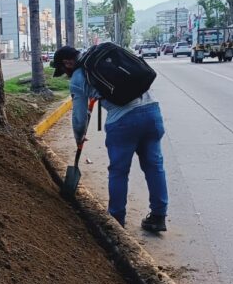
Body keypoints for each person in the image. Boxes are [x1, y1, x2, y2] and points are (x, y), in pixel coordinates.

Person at [53, 45, 168, 232]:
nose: (65, 74)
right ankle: (158, 216)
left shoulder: (78, 77)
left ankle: (116, 222)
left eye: (63, 70)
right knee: (154, 166)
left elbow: (79, 119)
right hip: (152, 112)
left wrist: (78, 138)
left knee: (119, 171)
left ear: (67, 63)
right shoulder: (103, 55)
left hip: (123, 122)